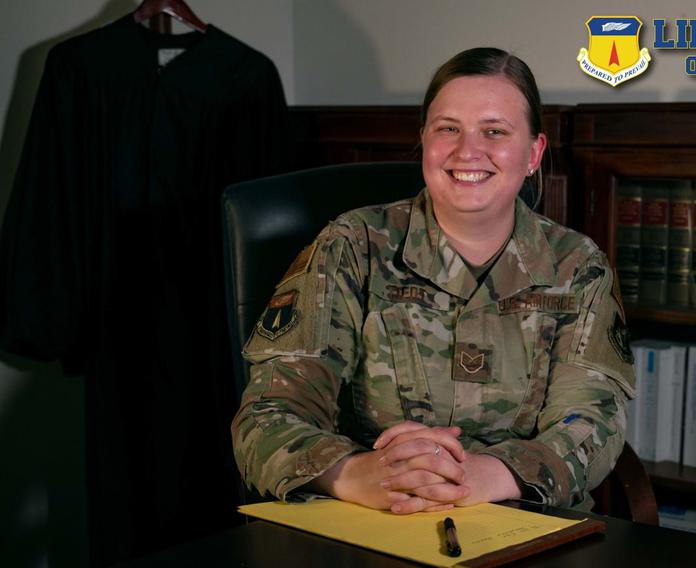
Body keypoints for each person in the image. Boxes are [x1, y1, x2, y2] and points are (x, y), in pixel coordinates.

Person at [231, 47, 635, 514]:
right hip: (372, 519)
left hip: (522, 522)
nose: (468, 151)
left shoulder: (577, 267)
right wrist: (359, 473)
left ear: (533, 152)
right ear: (424, 138)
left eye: (494, 131)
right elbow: (266, 417)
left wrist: (481, 476)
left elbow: (593, 422)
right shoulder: (352, 247)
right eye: (448, 129)